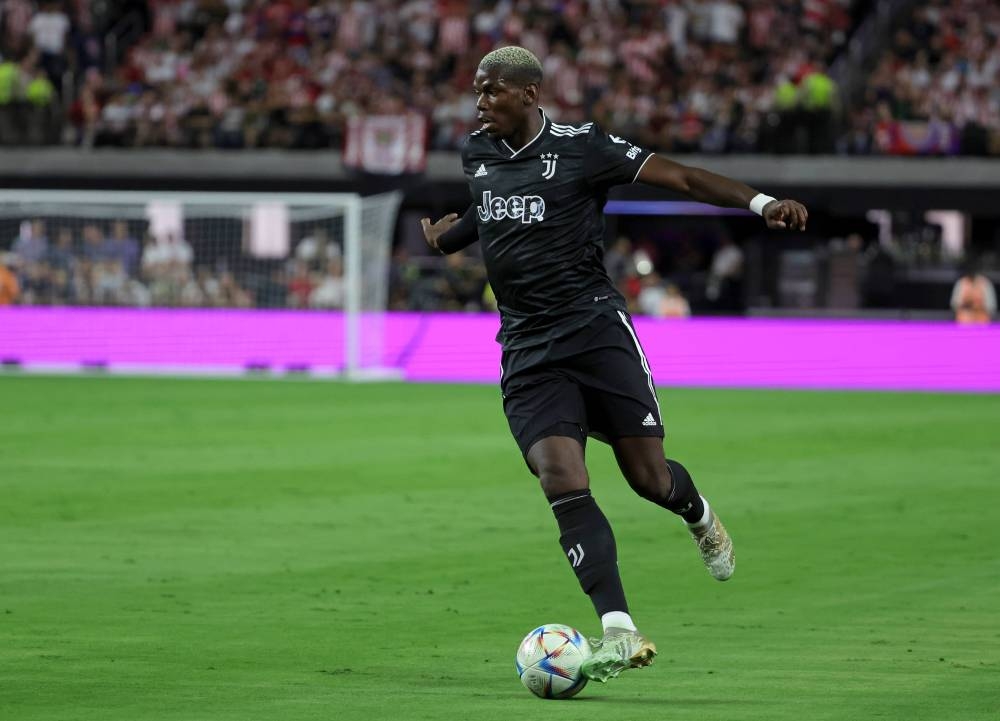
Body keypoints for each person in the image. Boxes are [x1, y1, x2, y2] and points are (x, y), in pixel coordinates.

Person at [420, 46, 808, 684]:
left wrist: (760, 203)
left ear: (530, 93)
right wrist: (446, 237)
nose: (480, 102)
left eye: (492, 91)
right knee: (559, 476)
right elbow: (489, 212)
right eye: (476, 91)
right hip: (527, 347)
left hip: (596, 333)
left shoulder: (583, 147)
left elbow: (679, 177)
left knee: (648, 479)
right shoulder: (478, 152)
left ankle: (699, 515)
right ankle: (619, 630)